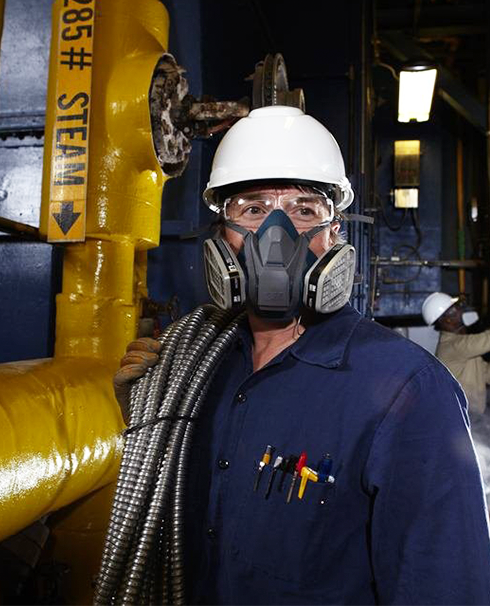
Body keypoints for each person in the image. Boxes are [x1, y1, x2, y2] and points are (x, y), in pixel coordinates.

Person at [114, 106, 490, 605]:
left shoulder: (410, 391)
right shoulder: (196, 372)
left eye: (304, 210)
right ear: (221, 236)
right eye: (252, 209)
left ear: (335, 234)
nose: (277, 235)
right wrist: (144, 417)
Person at [422, 291, 490, 416]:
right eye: (455, 309)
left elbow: (485, 372)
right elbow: (486, 340)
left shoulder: (463, 347)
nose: (461, 311)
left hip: (475, 413)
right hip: (465, 417)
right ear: (446, 320)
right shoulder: (452, 346)